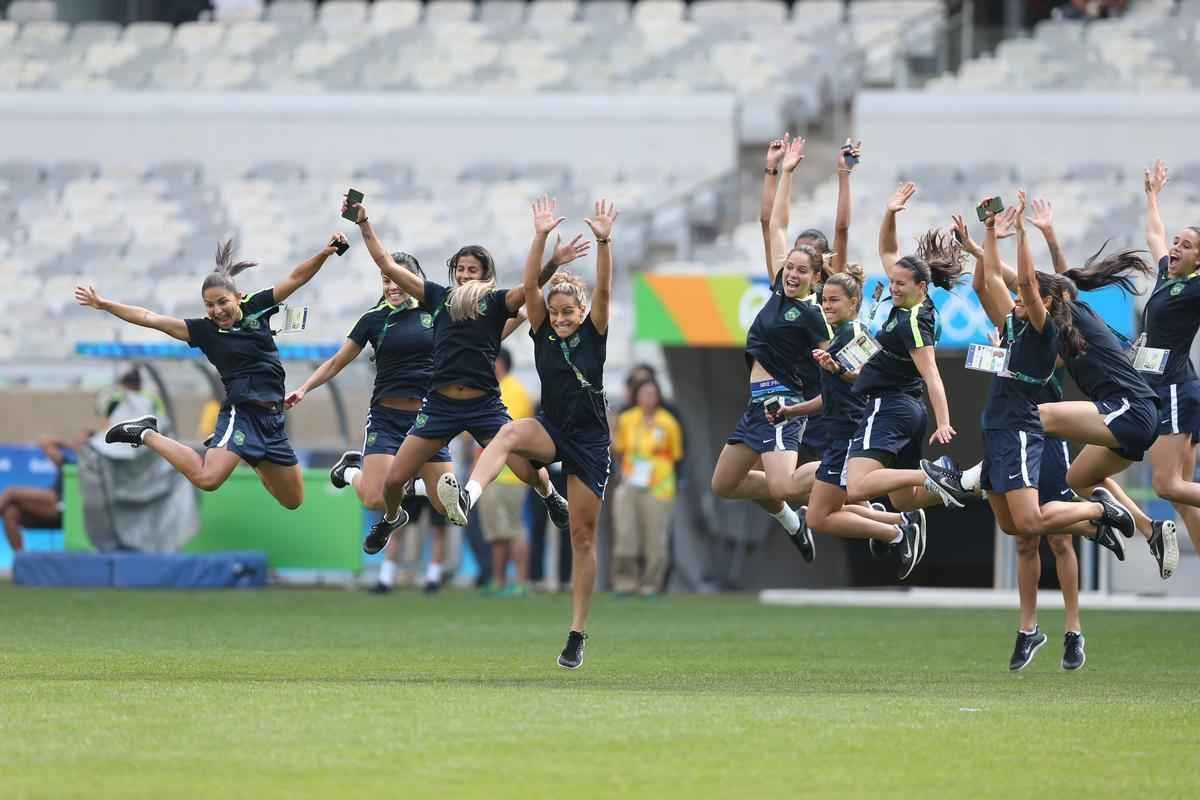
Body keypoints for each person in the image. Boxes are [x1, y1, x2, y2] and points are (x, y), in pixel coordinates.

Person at [925, 202, 1178, 579]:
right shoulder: (1063, 327)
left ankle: (968, 478)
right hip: (1125, 416)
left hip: (1132, 409)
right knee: (1079, 480)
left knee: (1033, 417)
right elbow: (1000, 282)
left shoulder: (1065, 318)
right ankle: (1148, 528)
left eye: (1027, 298)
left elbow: (1020, 281)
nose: (1017, 301)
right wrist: (980, 248)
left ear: (1048, 300)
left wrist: (1015, 236)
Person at [345, 198, 584, 556]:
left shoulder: (495, 302)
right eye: (459, 269)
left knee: (526, 471)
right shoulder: (438, 298)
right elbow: (386, 264)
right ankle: (393, 518)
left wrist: (550, 254)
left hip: (483, 405)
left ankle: (550, 495)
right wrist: (364, 223)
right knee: (394, 480)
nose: (464, 275)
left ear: (485, 275)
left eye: (472, 270)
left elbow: (531, 286)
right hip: (440, 406)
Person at [439, 196, 618, 669]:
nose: (559, 319)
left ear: (579, 311)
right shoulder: (539, 325)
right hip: (554, 426)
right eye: (555, 313)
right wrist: (539, 237)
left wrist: (603, 242)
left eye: (567, 313)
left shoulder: (595, 329)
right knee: (509, 433)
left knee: (582, 536)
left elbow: (604, 292)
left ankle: (577, 632)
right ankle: (468, 497)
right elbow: (530, 287)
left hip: (592, 440)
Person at [75, 236, 345, 508]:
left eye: (222, 302)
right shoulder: (204, 331)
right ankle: (145, 432)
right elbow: (149, 318)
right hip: (243, 413)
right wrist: (105, 305)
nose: (216, 310)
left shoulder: (258, 306)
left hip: (273, 419)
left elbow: (297, 278)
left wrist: (324, 253)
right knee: (208, 479)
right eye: (209, 304)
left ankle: (242, 452)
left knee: (293, 500)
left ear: (238, 297)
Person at [285, 252, 456, 591]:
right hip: (387, 419)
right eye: (386, 280)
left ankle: (403, 484)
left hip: (427, 419)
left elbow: (483, 335)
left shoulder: (437, 312)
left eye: (397, 278)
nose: (392, 286)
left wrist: (519, 315)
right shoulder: (374, 320)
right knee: (376, 500)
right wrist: (304, 388)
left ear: (414, 278)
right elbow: (337, 361)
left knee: (447, 506)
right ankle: (350, 471)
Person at [710, 137, 831, 559]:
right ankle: (792, 522)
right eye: (790, 267)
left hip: (782, 401)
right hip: (755, 405)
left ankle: (852, 475)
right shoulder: (782, 288)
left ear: (817, 277)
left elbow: (837, 358)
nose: (793, 273)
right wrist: (779, 171)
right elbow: (772, 223)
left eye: (803, 270)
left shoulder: (814, 312)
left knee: (782, 484)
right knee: (725, 484)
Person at [842, 183, 963, 526]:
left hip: (890, 406)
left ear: (921, 288)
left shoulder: (913, 321)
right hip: (909, 410)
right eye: (892, 283)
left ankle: (938, 472)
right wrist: (890, 213)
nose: (893, 288)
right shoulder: (915, 301)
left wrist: (945, 423)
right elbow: (887, 249)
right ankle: (966, 484)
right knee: (903, 500)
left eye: (900, 285)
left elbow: (933, 375)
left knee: (856, 486)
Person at [801, 270, 929, 578]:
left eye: (834, 300)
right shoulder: (841, 334)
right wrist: (793, 411)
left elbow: (863, 375)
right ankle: (894, 521)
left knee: (817, 517)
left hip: (848, 434)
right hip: (838, 435)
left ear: (853, 302)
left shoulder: (856, 332)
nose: (826, 306)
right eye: (824, 301)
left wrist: (837, 368)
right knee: (832, 507)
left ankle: (898, 529)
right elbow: (832, 392)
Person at [1141, 160, 1200, 557]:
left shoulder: (1195, 289)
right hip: (1170, 387)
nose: (1176, 247)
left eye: (1187, 245)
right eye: (1177, 242)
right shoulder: (1167, 275)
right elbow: (1154, 234)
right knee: (1184, 499)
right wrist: (1152, 195)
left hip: (1176, 390)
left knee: (1167, 487)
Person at [612, 378, 684, 596]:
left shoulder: (668, 422)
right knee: (625, 533)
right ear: (637, 396)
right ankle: (625, 583)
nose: (648, 398)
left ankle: (651, 585)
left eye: (653, 394)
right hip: (631, 481)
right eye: (644, 393)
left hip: (659, 486)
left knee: (656, 538)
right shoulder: (626, 419)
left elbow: (677, 454)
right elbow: (619, 449)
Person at [478, 347, 535, 596]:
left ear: (499, 362)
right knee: (497, 532)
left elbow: (508, 432)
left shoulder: (514, 391)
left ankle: (521, 581)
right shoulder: (494, 389)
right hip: (490, 472)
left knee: (513, 528)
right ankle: (499, 581)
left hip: (510, 473)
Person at [0, 435, 81, 552]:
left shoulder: (92, 464)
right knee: (10, 512)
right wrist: (69, 445)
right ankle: (21, 558)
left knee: (11, 492)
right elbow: (45, 443)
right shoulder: (66, 461)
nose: (78, 442)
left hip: (66, 506)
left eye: (81, 440)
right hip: (52, 505)